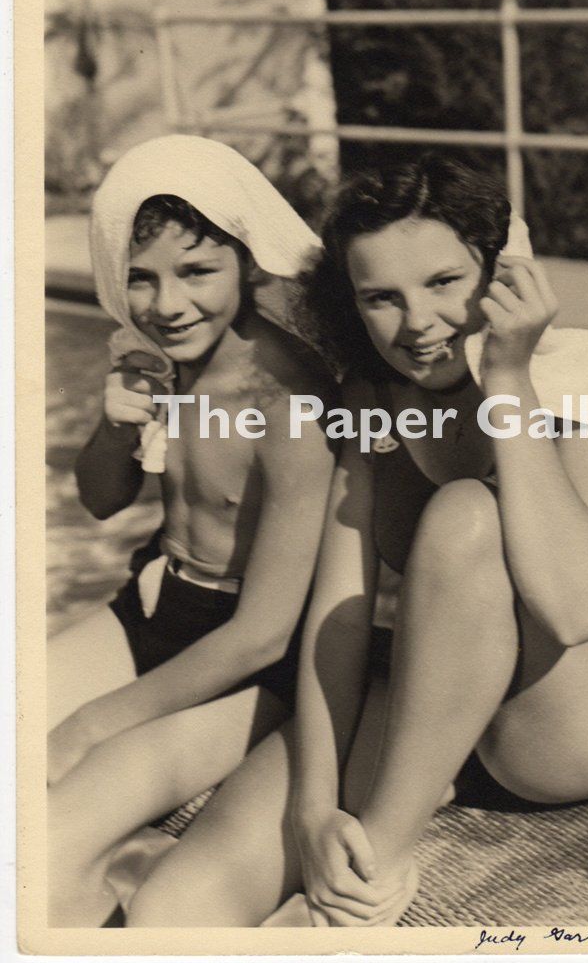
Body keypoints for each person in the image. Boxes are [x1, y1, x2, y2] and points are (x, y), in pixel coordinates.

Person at [123, 154, 588, 928]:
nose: (417, 324)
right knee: (175, 903)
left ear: (498, 271)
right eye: (381, 297)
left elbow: (575, 608)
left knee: (463, 515)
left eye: (445, 282)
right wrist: (313, 808)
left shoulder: (575, 369)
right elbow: (343, 613)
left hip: (569, 718)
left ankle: (371, 875)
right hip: (433, 692)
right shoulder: (372, 398)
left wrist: (507, 377)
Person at [47, 135, 337, 927]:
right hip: (152, 611)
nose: (167, 304)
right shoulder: (159, 358)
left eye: (197, 272)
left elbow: (265, 635)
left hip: (247, 668)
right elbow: (102, 502)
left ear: (248, 264)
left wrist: (89, 724)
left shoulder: (288, 405)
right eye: (141, 278)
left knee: (43, 837)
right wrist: (114, 428)